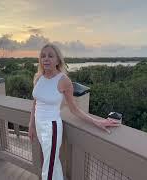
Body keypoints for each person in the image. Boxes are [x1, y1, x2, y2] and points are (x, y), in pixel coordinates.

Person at [28, 43, 120, 180]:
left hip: (51, 128)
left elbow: (74, 109)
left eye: (50, 56)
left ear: (58, 60)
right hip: (39, 125)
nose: (46, 59)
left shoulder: (63, 81)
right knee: (53, 162)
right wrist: (31, 125)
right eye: (43, 56)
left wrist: (97, 122)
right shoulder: (39, 78)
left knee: (48, 165)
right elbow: (35, 102)